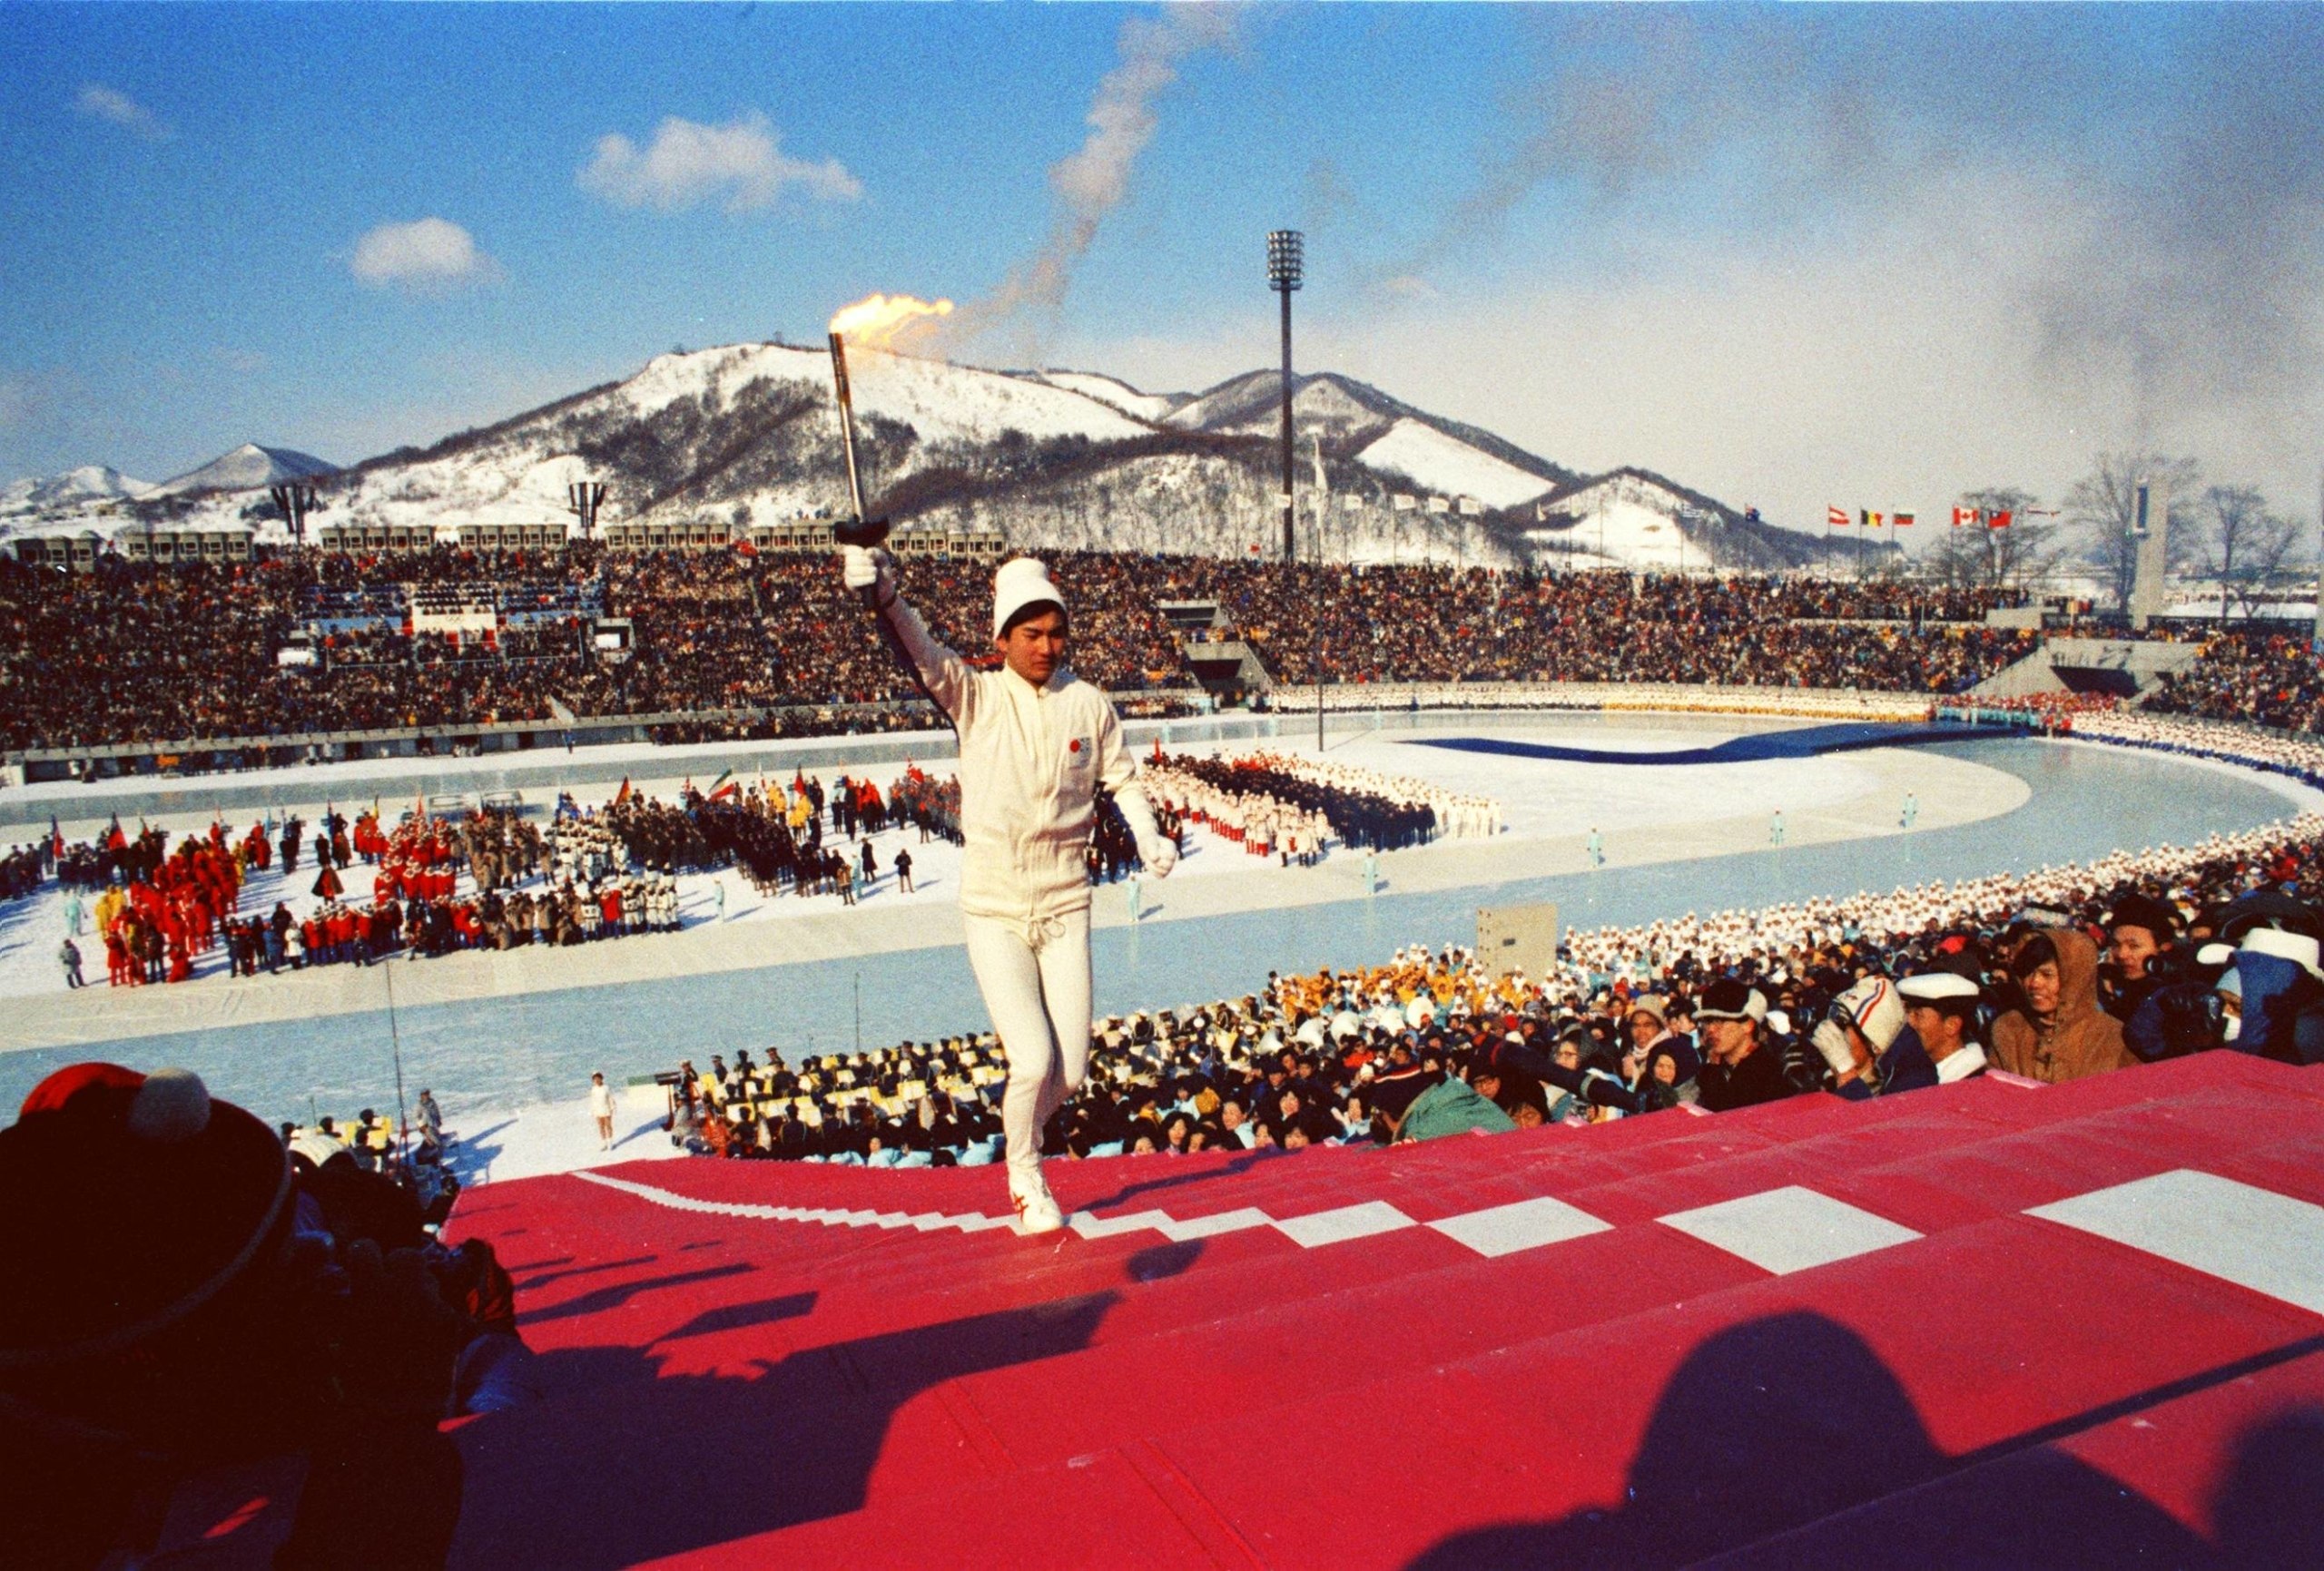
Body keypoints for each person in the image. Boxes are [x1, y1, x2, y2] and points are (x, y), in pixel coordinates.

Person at [841, 548, 1175, 1233]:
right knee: (1033, 1056)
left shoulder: (1089, 703)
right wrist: (884, 594)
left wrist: (1148, 836)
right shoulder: (977, 696)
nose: (1047, 646)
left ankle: (1021, 1136)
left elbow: (1123, 778)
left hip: (1065, 903)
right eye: (1032, 634)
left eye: (1056, 632)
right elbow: (921, 651)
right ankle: (1024, 1171)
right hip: (995, 908)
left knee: (1073, 1073)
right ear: (1002, 639)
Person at [1991, 928, 2134, 1083]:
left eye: (2047, 975)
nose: (2034, 983)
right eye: (2027, 973)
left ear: (2075, 979)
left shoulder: (2110, 1035)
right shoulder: (2008, 1029)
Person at [588, 1071, 616, 1151]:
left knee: (608, 1126)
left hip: (606, 1109)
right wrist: (592, 1111)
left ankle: (610, 1143)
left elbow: (610, 1098)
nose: (596, 1081)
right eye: (595, 1079)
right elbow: (593, 1101)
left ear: (601, 1079)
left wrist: (613, 1107)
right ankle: (604, 1143)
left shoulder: (606, 1087)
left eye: (598, 1079)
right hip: (598, 1110)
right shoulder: (593, 1089)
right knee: (601, 1127)